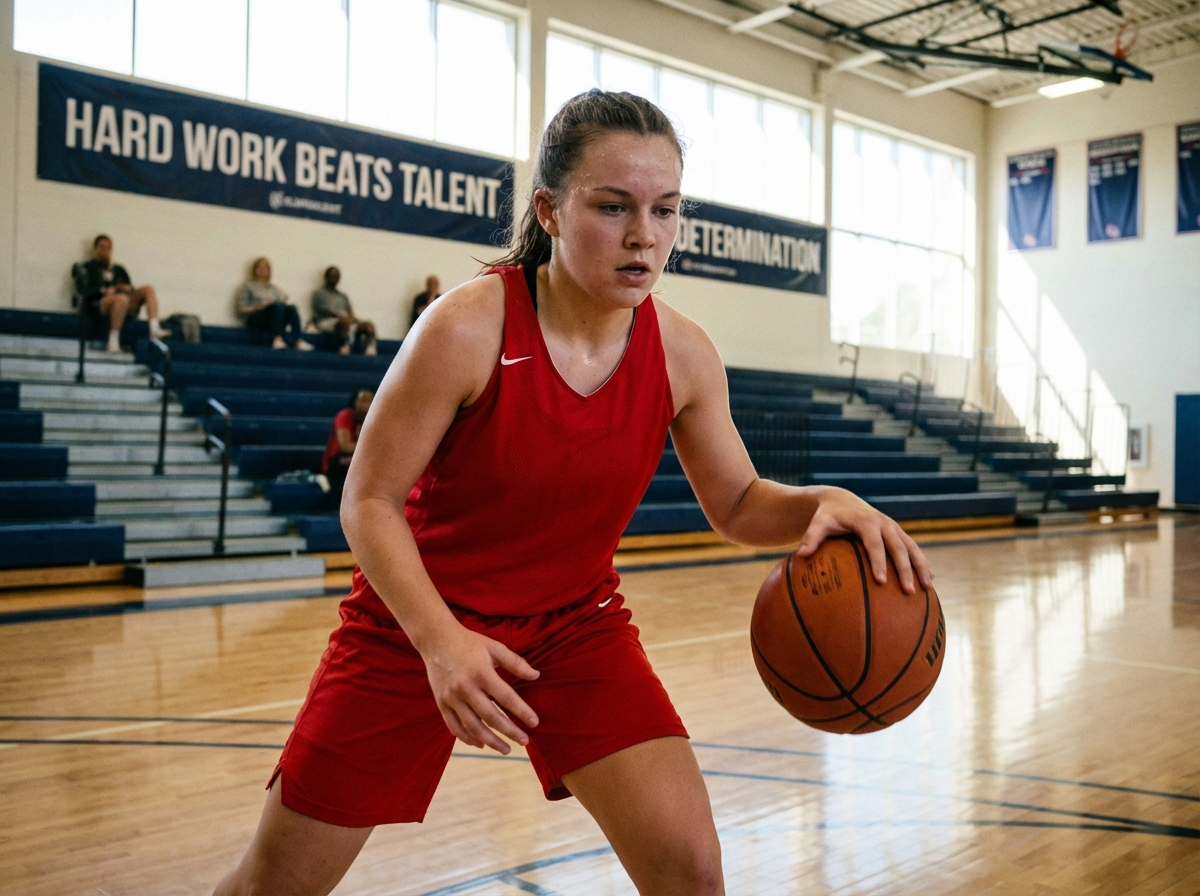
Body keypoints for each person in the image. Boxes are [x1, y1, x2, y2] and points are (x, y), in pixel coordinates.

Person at [215, 90, 932, 896]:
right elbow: (368, 500)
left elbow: (736, 503)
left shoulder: (685, 354)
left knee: (692, 872)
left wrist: (823, 501)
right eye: (613, 206)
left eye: (665, 210)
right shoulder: (466, 328)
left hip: (573, 627)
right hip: (415, 623)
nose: (644, 235)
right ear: (549, 211)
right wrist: (440, 642)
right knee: (274, 887)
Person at [80, 234, 167, 352]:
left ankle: (154, 329)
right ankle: (113, 342)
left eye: (108, 247)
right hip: (101, 303)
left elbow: (130, 288)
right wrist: (103, 290)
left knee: (148, 289)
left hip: (124, 302)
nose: (106, 250)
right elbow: (83, 291)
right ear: (96, 248)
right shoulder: (88, 268)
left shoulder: (118, 269)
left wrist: (125, 288)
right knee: (121, 299)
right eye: (102, 247)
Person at [236, 257, 313, 350]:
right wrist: (258, 307)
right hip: (256, 316)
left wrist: (276, 301)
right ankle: (277, 339)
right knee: (277, 306)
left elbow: (283, 300)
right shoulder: (247, 286)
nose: (262, 270)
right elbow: (241, 308)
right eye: (260, 267)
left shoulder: (273, 288)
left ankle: (298, 341)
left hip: (273, 316)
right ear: (254, 269)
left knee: (291, 308)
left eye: (265, 268)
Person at [322, 388, 373, 507]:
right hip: (337, 461)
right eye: (362, 400)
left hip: (360, 459)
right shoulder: (344, 416)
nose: (365, 404)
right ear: (354, 402)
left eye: (369, 400)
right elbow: (345, 446)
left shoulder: (374, 419)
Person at [311, 267, 378, 356]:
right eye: (332, 276)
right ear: (326, 277)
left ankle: (370, 349)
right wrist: (342, 317)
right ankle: (344, 346)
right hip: (326, 321)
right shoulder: (319, 293)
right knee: (343, 322)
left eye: (337, 276)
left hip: (346, 320)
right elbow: (325, 311)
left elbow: (350, 312)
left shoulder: (343, 296)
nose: (334, 278)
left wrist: (352, 319)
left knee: (368, 325)